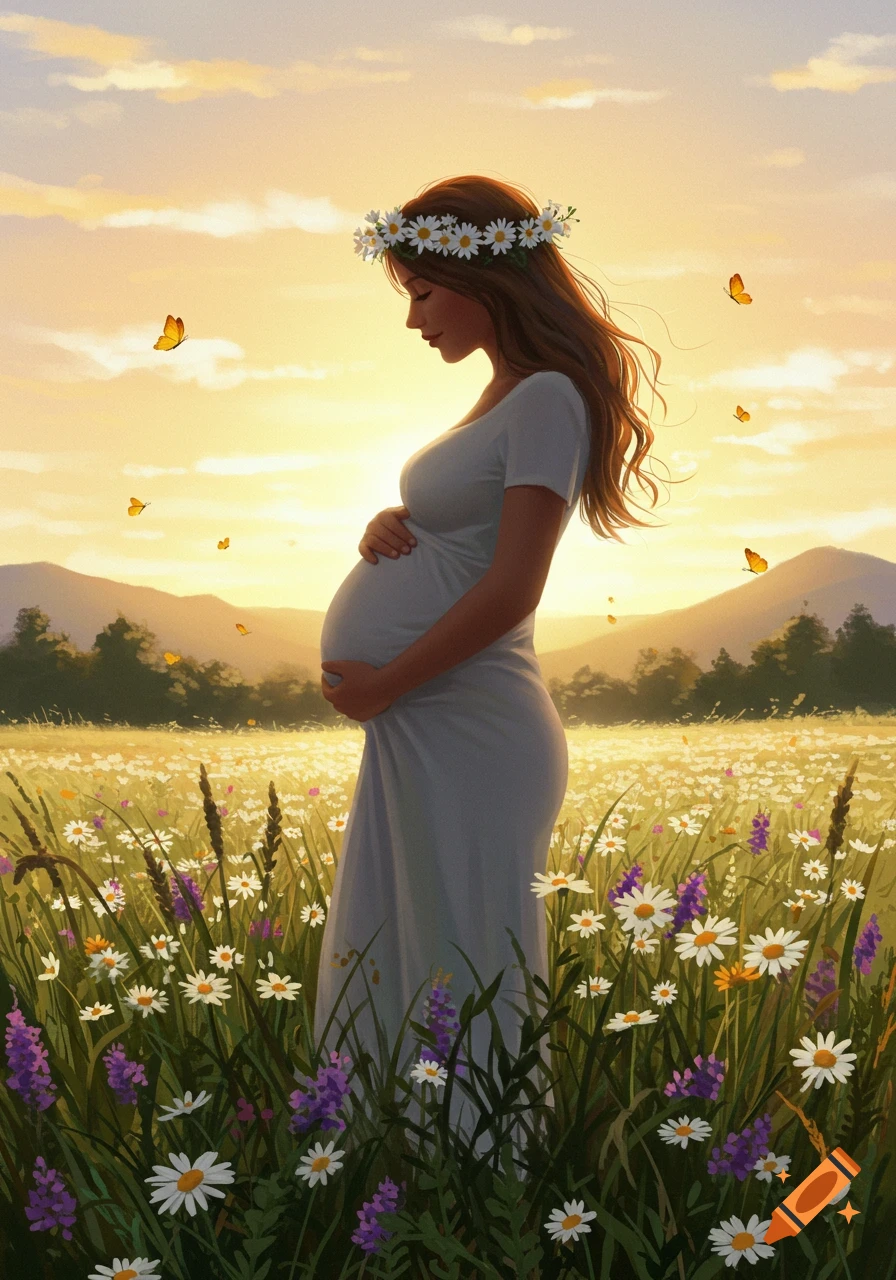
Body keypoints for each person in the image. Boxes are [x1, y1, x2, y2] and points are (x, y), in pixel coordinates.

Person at [312, 174, 673, 1168]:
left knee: (464, 945)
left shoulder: (549, 397)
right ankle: (409, 1164)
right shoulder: (503, 396)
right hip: (424, 724)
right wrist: (396, 524)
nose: (414, 318)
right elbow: (470, 536)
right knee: (411, 936)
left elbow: (513, 586)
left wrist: (386, 680)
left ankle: (484, 1178)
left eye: (424, 291)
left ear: (482, 276)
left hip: (470, 725)